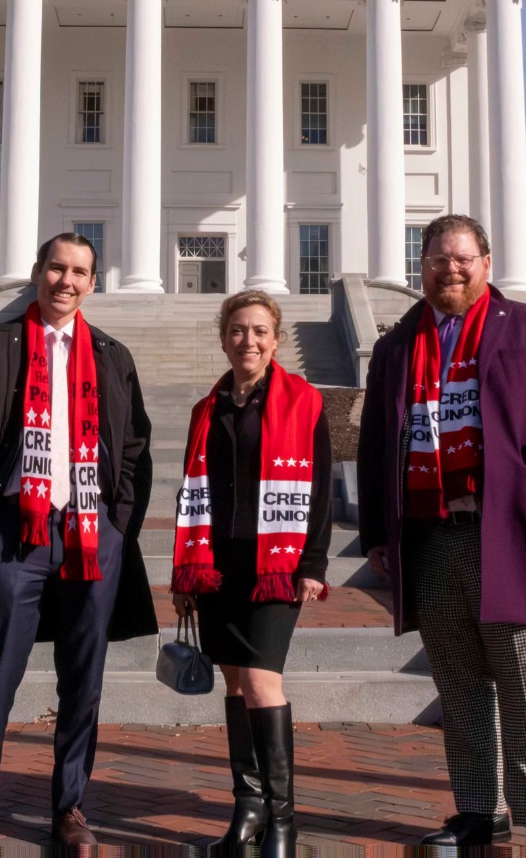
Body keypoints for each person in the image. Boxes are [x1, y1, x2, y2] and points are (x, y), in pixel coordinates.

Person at [357, 214, 526, 854]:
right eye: (437, 259)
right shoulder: (396, 346)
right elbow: (378, 441)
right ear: (422, 267)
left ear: (485, 263)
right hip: (430, 537)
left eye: (462, 258)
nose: (450, 269)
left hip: (505, 532)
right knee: (459, 687)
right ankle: (477, 811)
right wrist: (378, 530)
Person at [0, 232, 155, 849]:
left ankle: (70, 805)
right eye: (57, 268)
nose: (67, 281)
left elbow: (134, 447)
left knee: (84, 676)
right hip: (11, 532)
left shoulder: (112, 355)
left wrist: (116, 523)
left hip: (89, 530)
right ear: (37, 271)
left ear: (93, 283)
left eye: (81, 272)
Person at [170, 290, 331, 858]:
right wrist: (186, 575)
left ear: (276, 339)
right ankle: (248, 806)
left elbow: (319, 492)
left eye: (260, 331)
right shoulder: (207, 410)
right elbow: (193, 493)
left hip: (275, 565)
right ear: (224, 337)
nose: (249, 341)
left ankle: (284, 821)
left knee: (263, 682)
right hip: (217, 567)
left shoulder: (304, 403)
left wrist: (313, 563)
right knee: (234, 683)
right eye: (238, 330)